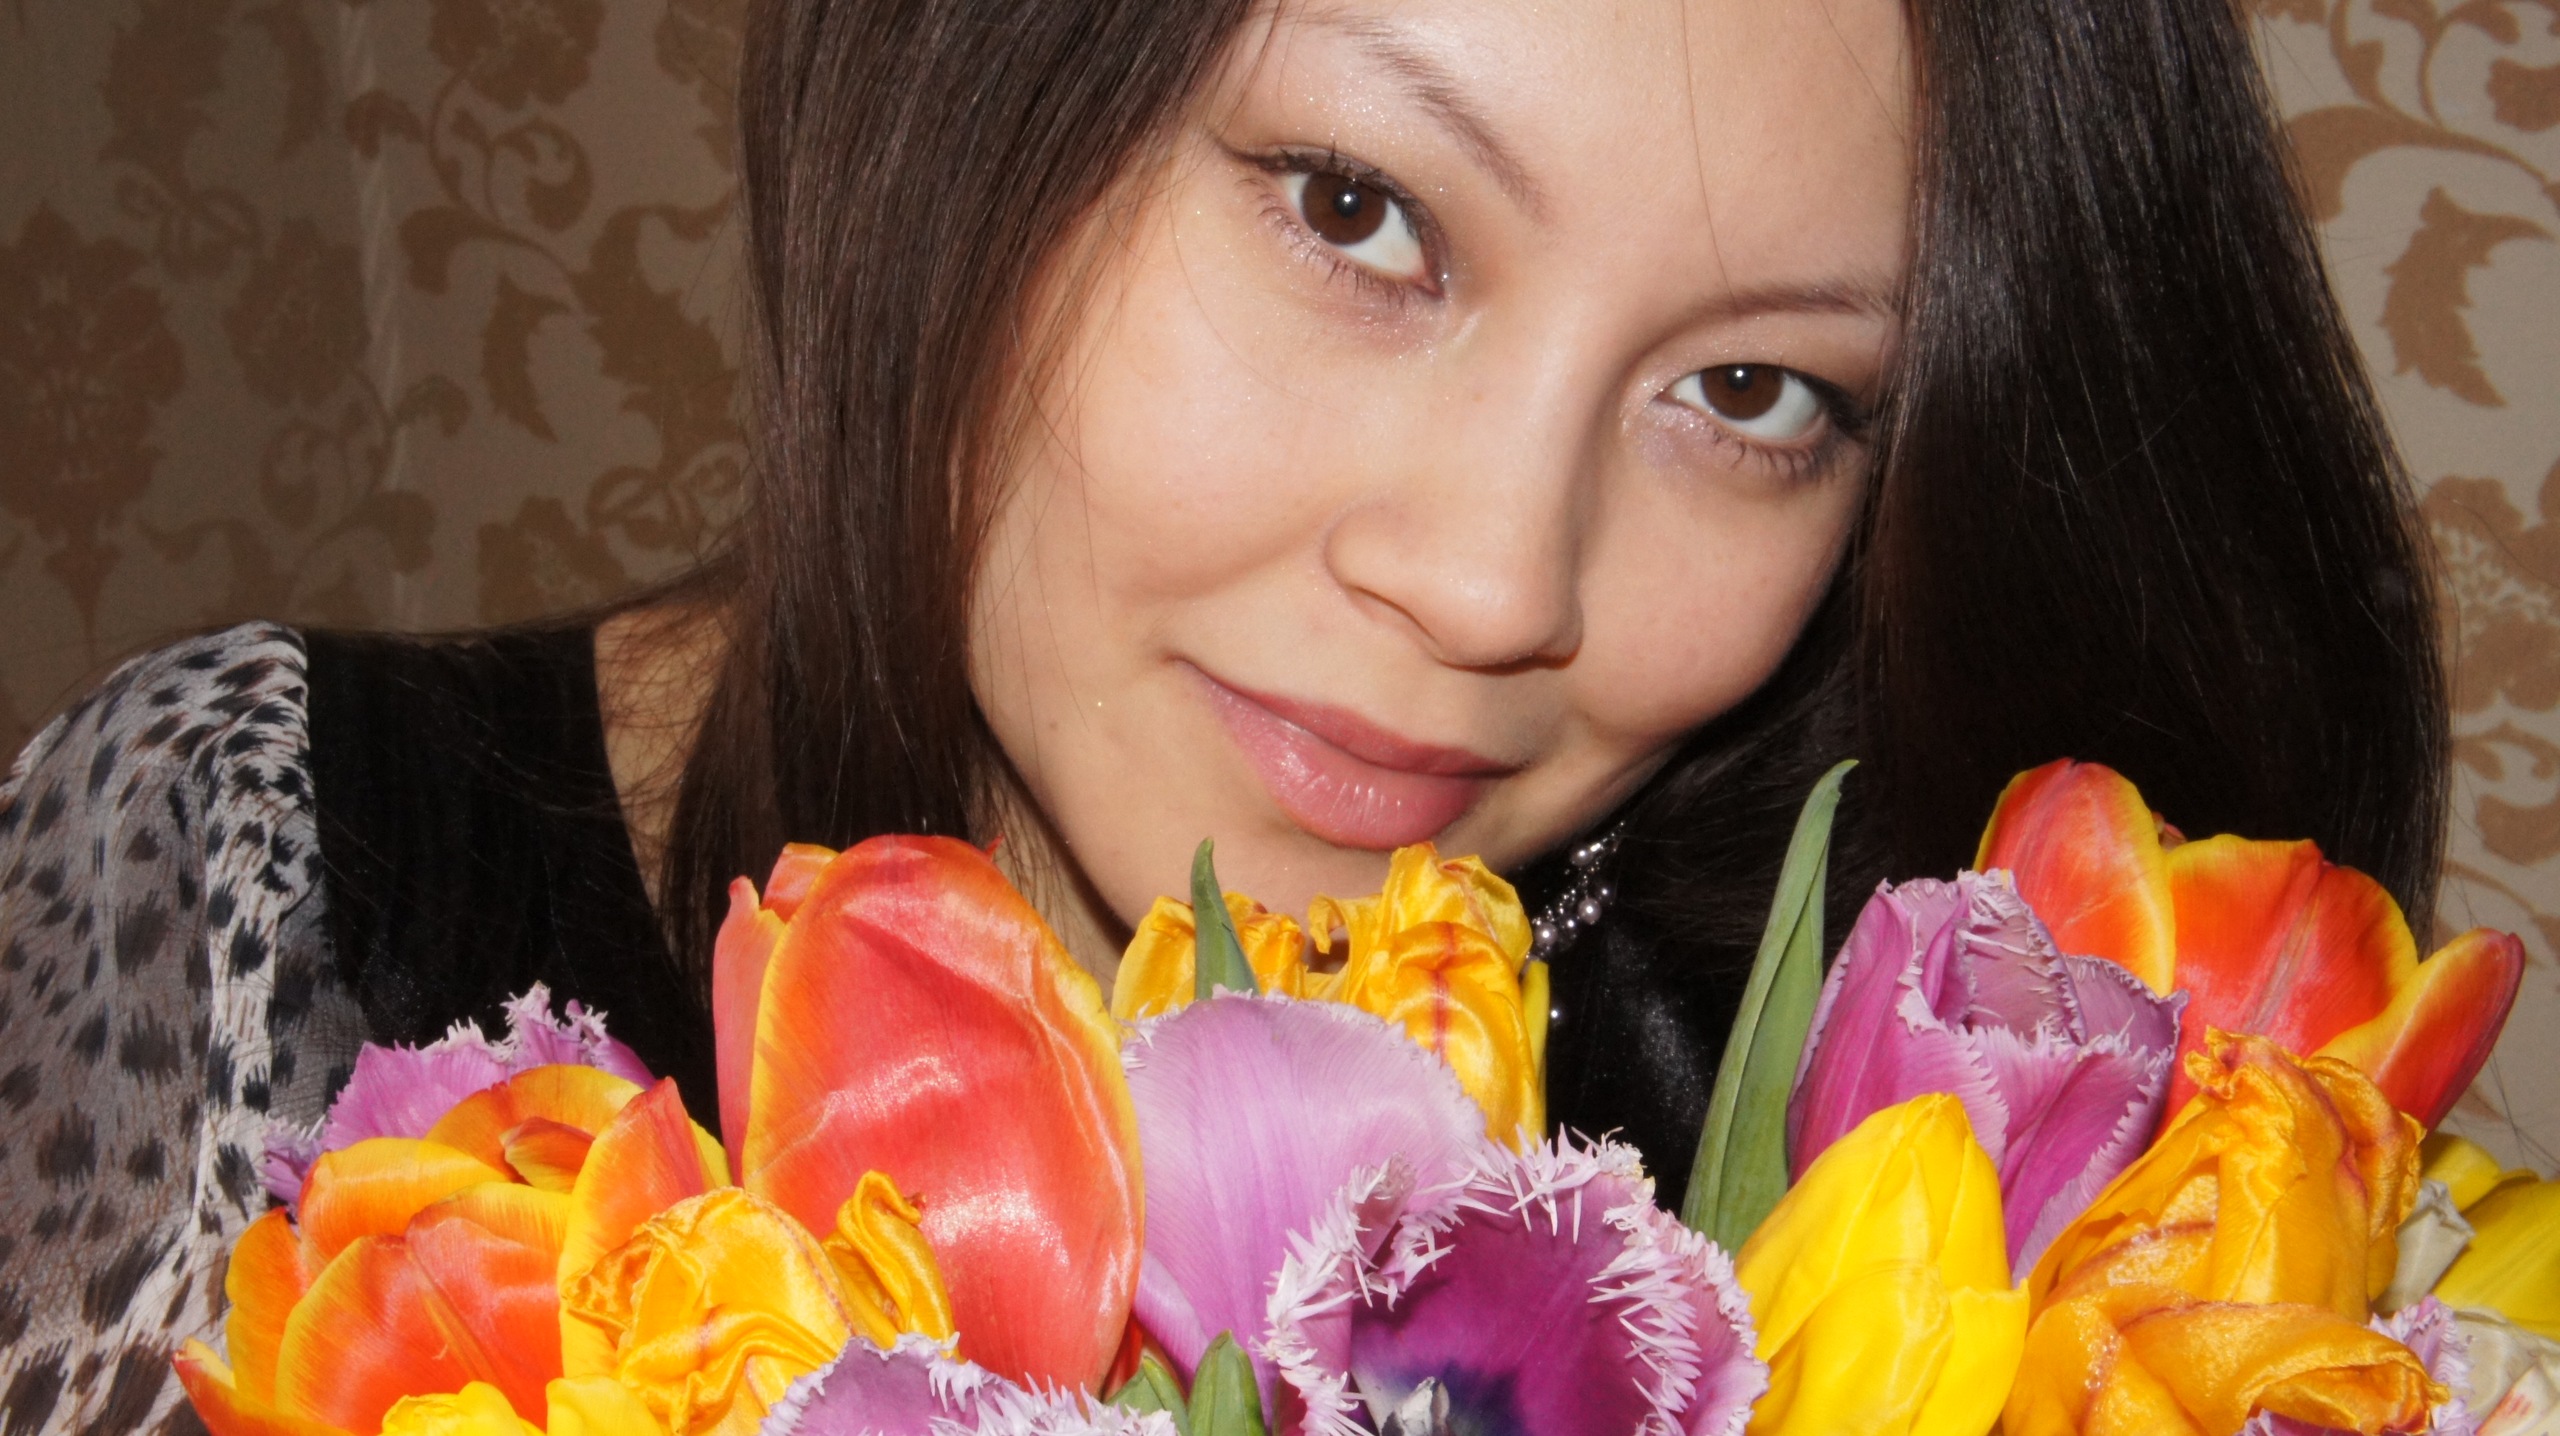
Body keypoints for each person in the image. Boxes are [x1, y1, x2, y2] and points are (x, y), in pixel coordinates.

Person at [0, 0, 2445, 1430]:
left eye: (1751, 389)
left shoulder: (1951, 1179)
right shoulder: (243, 884)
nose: (1494, 585)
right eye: (1356, 210)